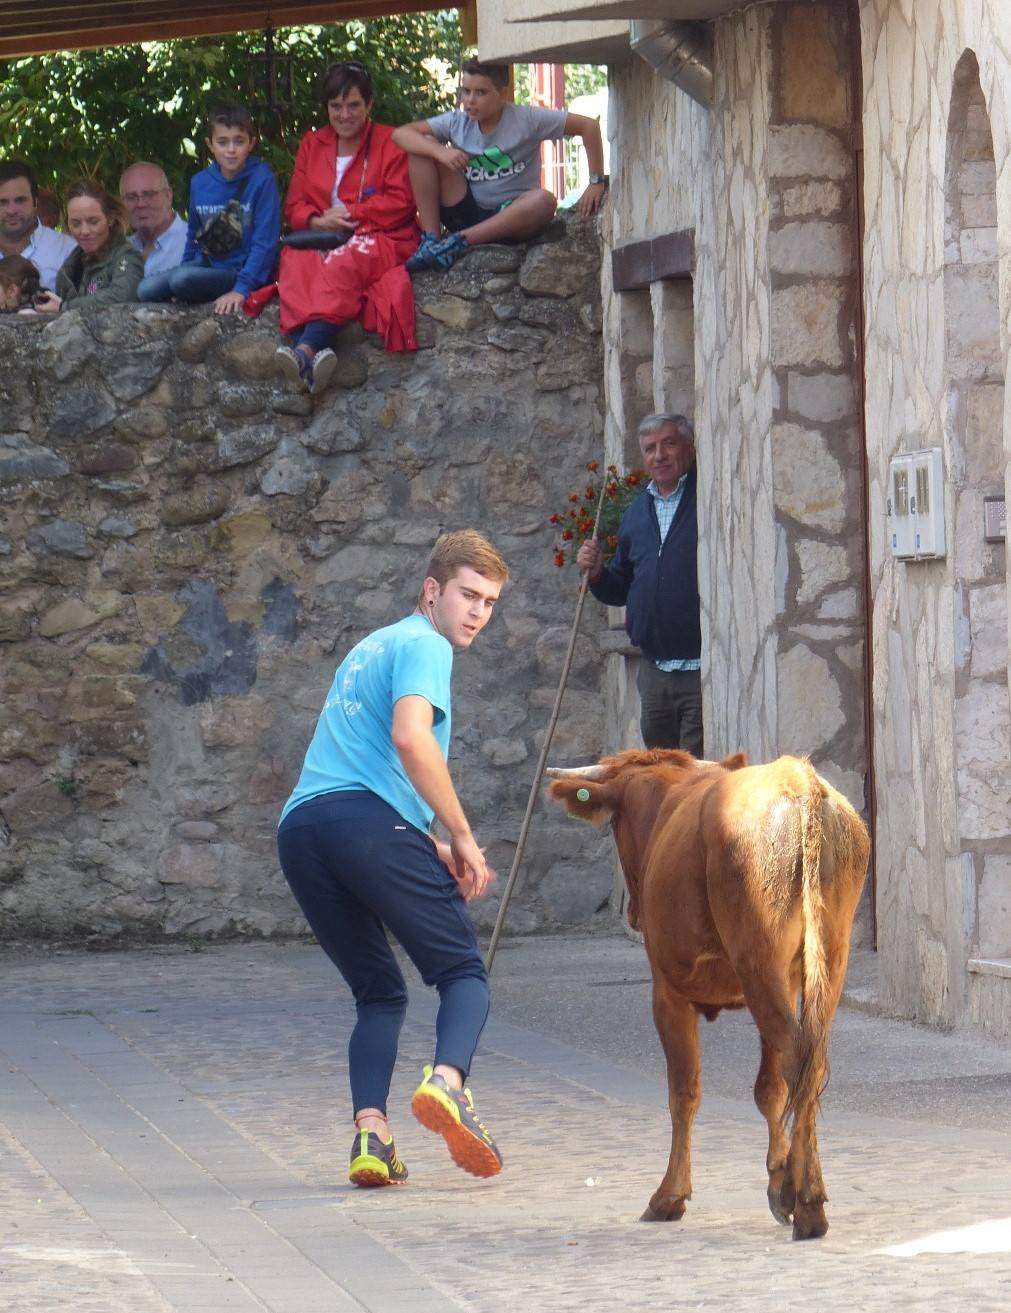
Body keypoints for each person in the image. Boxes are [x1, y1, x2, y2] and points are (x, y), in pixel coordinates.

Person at [277, 530, 509, 1188]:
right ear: (432, 590)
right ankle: (448, 1084)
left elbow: (355, 776)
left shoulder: (370, 646)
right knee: (463, 972)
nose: (477, 612)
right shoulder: (426, 644)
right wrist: (461, 835)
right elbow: (411, 739)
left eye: (489, 602)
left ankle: (371, 1137)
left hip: (302, 830)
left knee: (378, 992)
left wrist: (429, 844)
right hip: (361, 824)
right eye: (467, 594)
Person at [274, 61, 420, 393]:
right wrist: (316, 220)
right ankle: (313, 357)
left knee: (342, 261)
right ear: (326, 107)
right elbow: (294, 205)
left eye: (353, 105)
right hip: (322, 234)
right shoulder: (312, 143)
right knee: (294, 261)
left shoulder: (390, 141)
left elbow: (401, 202)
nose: (344, 114)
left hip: (379, 234)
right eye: (335, 106)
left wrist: (352, 213)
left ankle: (304, 349)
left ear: (369, 104)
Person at [392, 59, 608, 273]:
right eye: (466, 91)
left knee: (544, 200)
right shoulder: (456, 121)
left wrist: (596, 181)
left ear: (502, 94)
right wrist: (440, 151)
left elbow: (588, 126)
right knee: (422, 147)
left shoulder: (527, 119)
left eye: (481, 93)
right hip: (465, 209)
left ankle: (458, 242)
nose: (470, 101)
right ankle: (432, 241)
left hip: (512, 219)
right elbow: (401, 134)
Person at [577, 414, 703, 754]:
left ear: (689, 448)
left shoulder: (706, 499)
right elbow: (621, 588)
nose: (659, 456)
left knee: (697, 772)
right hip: (655, 671)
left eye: (669, 444)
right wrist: (598, 573)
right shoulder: (636, 513)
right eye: (650, 449)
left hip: (700, 669)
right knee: (660, 771)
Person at [138, 104, 280, 314]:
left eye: (239, 141)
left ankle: (194, 283)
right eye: (222, 142)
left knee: (182, 280)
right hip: (209, 264)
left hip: (240, 270)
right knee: (146, 289)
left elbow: (265, 242)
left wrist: (241, 289)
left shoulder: (262, 179)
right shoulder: (200, 182)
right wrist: (186, 266)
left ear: (251, 143)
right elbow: (193, 235)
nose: (231, 150)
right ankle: (188, 283)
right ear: (210, 145)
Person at [33, 179, 143, 312]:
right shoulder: (70, 267)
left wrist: (64, 307)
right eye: (76, 224)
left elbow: (123, 296)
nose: (84, 231)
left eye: (93, 222)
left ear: (110, 219)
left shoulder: (126, 256)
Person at [0, 159, 75, 289]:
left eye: (20, 200)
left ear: (35, 202)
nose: (11, 211)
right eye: (2, 202)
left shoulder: (67, 251)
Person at [119, 161, 187, 291]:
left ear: (168, 196)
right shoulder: (120, 250)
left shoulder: (194, 244)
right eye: (132, 197)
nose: (141, 204)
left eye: (149, 195)